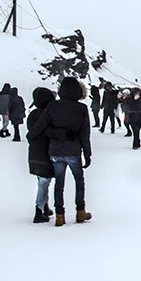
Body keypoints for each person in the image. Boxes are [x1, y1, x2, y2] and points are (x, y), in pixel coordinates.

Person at [30, 77, 92, 226]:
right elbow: (85, 133)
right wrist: (87, 154)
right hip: (74, 150)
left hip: (55, 151)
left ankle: (60, 215)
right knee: (79, 181)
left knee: (59, 183)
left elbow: (42, 126)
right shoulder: (81, 108)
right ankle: (80, 211)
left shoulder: (52, 106)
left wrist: (30, 135)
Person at [27, 87, 56, 223]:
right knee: (44, 182)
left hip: (34, 152)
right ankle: (39, 210)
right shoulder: (49, 114)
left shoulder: (33, 114)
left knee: (42, 181)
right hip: (46, 152)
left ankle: (45, 206)